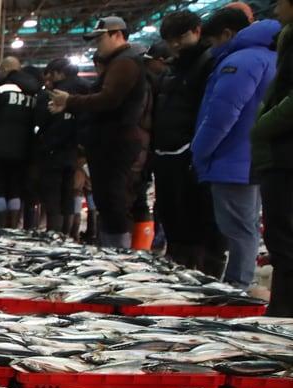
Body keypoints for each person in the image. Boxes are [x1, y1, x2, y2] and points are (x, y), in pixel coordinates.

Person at [192, 9, 280, 292]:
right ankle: (242, 281)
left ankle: (238, 286)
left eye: (213, 41)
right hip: (255, 156)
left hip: (232, 157)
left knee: (238, 228)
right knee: (248, 226)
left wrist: (200, 150)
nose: (212, 49)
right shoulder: (272, 57)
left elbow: (222, 115)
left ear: (227, 34)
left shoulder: (240, 61)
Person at [49, 17, 152, 248]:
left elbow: (109, 99)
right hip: (110, 143)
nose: (97, 44)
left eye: (100, 38)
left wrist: (70, 101)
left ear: (117, 34)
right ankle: (113, 250)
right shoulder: (121, 62)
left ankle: (117, 255)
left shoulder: (125, 63)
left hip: (116, 144)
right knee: (109, 201)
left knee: (114, 201)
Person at [151, 11, 224, 272]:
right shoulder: (172, 69)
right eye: (169, 39)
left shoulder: (210, 63)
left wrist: (197, 149)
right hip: (165, 153)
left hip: (192, 155)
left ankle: (203, 275)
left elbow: (213, 111)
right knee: (171, 215)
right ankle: (176, 269)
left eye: (180, 37)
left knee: (198, 218)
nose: (175, 44)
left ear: (197, 30)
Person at [254, 0, 293, 313]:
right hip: (279, 153)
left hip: (284, 153)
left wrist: (263, 125)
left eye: (279, 2)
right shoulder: (284, 39)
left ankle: (283, 317)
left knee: (284, 241)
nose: (276, 10)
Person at [0, 56, 40, 228]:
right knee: (15, 189)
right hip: (23, 149)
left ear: (5, 70)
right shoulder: (33, 90)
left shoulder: (1, 87)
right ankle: (13, 227)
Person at [35, 59, 91, 237]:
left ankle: (54, 235)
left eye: (51, 75)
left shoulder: (53, 94)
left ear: (59, 73)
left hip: (53, 152)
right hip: (76, 153)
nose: (49, 80)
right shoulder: (87, 92)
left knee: (53, 198)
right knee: (70, 195)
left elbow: (40, 120)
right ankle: (69, 236)